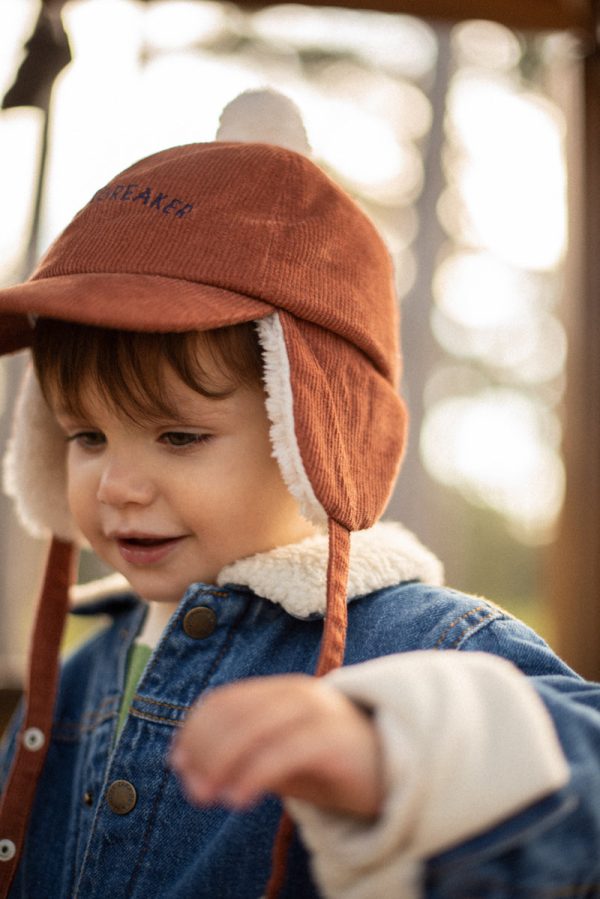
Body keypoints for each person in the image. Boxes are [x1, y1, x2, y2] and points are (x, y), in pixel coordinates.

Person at [0, 89, 598, 899]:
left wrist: (401, 750)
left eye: (178, 436)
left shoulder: (423, 641)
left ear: (319, 433)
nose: (117, 485)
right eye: (84, 436)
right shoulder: (75, 676)